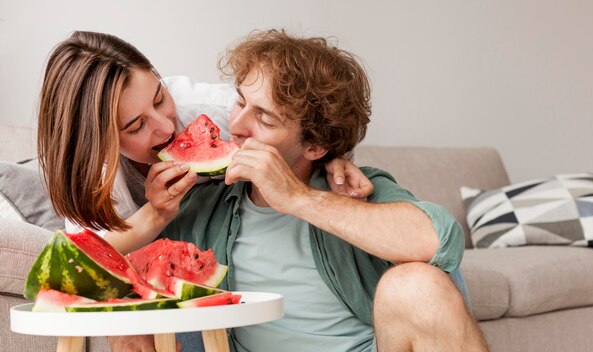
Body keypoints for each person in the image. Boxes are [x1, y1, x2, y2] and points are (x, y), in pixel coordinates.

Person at [115, 29, 487, 351]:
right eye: (241, 103)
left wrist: (298, 198)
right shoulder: (202, 204)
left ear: (314, 147)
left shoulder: (352, 189)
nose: (237, 126)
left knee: (419, 285)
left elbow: (438, 240)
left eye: (264, 118)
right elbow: (108, 272)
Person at [36, 31, 374, 256]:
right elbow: (88, 257)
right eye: (137, 126)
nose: (166, 125)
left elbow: (305, 121)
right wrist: (156, 212)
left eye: (159, 98)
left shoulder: (214, 110)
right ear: (100, 143)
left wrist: (334, 157)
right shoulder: (92, 167)